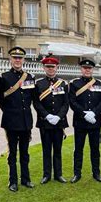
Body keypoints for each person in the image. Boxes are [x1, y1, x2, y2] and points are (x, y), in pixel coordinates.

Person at [0, 46, 35, 192]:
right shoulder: (3, 77)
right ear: (10, 59)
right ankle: (12, 181)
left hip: (26, 120)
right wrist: (10, 111)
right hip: (11, 120)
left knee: (25, 152)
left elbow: (31, 97)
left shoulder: (30, 77)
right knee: (12, 152)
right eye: (15, 58)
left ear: (23, 60)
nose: (17, 60)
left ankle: (26, 179)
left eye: (20, 58)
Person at [69, 59, 101, 183]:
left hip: (95, 122)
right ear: (81, 69)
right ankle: (77, 174)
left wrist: (94, 113)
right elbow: (72, 101)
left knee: (95, 149)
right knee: (78, 149)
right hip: (80, 121)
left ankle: (96, 173)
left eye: (89, 68)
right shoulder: (74, 84)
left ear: (92, 69)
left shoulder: (100, 84)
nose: (87, 70)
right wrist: (84, 113)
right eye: (85, 68)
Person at [33, 56, 69, 184]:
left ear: (56, 68)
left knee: (58, 150)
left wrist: (59, 116)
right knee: (46, 149)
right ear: (44, 68)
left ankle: (58, 174)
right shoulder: (38, 84)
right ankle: (46, 175)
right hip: (45, 122)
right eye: (48, 67)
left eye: (52, 67)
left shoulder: (63, 83)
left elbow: (66, 103)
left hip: (59, 122)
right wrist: (47, 116)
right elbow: (36, 103)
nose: (50, 69)